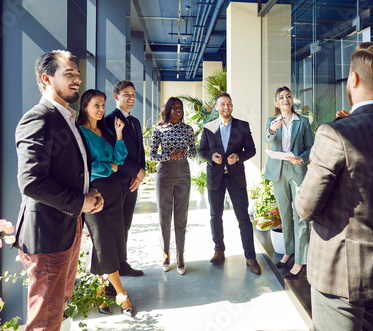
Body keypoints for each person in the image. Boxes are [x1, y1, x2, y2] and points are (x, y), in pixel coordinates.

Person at [295, 42, 373, 330]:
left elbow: (305, 207)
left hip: (339, 272)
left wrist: (335, 137)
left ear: (353, 79)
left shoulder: (334, 133)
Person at [14, 50, 104, 330]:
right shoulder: (39, 118)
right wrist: (79, 202)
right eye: (69, 75)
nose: (77, 80)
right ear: (46, 78)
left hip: (67, 228)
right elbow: (31, 181)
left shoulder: (66, 117)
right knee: (45, 316)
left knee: (57, 304)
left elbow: (70, 170)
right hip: (48, 234)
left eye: (77, 75)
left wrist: (89, 197)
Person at [77, 89, 134, 316]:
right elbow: (84, 167)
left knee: (111, 243)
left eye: (103, 105)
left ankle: (101, 296)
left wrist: (119, 135)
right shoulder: (80, 133)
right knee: (103, 242)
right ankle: (122, 295)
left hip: (113, 192)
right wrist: (107, 167)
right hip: (93, 195)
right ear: (85, 107)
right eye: (96, 105)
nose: (101, 110)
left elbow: (119, 160)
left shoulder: (105, 130)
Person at [198, 92, 260, 275]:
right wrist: (211, 157)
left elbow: (251, 150)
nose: (227, 107)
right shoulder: (208, 127)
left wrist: (238, 157)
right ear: (216, 107)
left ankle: (250, 257)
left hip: (236, 177)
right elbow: (201, 150)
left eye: (229, 104)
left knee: (243, 218)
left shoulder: (242, 126)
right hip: (215, 176)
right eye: (223, 104)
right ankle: (219, 250)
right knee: (215, 215)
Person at [263, 86, 313, 278]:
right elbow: (266, 140)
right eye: (281, 97)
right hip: (278, 172)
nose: (285, 99)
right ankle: (289, 251)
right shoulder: (271, 121)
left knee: (299, 216)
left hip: (297, 171)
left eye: (288, 96)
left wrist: (301, 158)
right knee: (285, 214)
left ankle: (301, 259)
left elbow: (310, 147)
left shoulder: (303, 122)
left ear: (292, 101)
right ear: (277, 103)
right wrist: (271, 129)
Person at [149, 97, 196, 275]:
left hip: (183, 173)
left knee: (181, 215)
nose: (179, 110)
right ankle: (165, 253)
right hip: (165, 174)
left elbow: (194, 151)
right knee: (164, 215)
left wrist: (184, 153)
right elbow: (152, 155)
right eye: (175, 108)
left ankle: (180, 254)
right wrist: (170, 156)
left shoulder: (188, 129)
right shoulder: (159, 129)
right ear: (167, 110)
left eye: (180, 108)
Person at [105, 80, 146, 277]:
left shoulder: (135, 121)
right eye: (126, 94)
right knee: (115, 227)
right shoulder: (109, 121)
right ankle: (113, 267)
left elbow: (140, 151)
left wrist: (141, 173)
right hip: (118, 182)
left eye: (133, 94)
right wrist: (135, 171)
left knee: (126, 225)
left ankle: (122, 263)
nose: (131, 98)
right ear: (116, 97)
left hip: (132, 183)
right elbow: (114, 153)